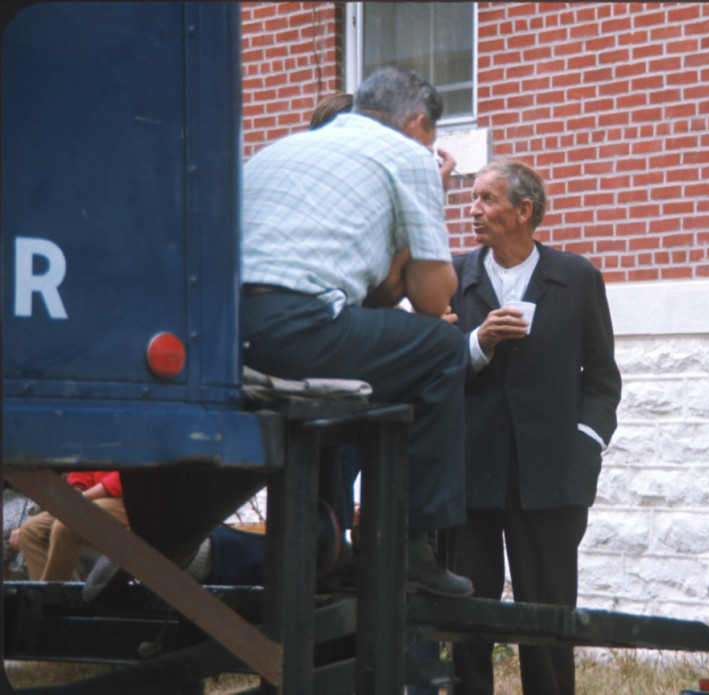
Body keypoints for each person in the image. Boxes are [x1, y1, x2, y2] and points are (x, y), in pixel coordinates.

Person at [240, 66, 472, 597]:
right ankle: (410, 541)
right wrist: (428, 204)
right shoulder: (409, 156)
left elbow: (380, 296)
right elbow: (434, 300)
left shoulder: (283, 148)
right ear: (417, 125)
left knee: (349, 369)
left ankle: (326, 538)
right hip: (294, 328)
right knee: (441, 348)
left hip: (224, 333)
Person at [443, 160, 622, 695]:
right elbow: (431, 370)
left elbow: (603, 381)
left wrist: (583, 447)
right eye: (472, 199)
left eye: (487, 200)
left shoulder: (577, 277)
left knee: (547, 620)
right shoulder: (454, 278)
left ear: (524, 211)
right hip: (471, 474)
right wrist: (479, 342)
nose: (473, 210)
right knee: (467, 615)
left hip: (549, 479)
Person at [10, 471, 128, 581]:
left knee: (65, 525)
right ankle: (53, 593)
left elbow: (123, 478)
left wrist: (79, 499)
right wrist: (72, 496)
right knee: (30, 531)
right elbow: (85, 467)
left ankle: (50, 598)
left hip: (127, 498)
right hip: (93, 497)